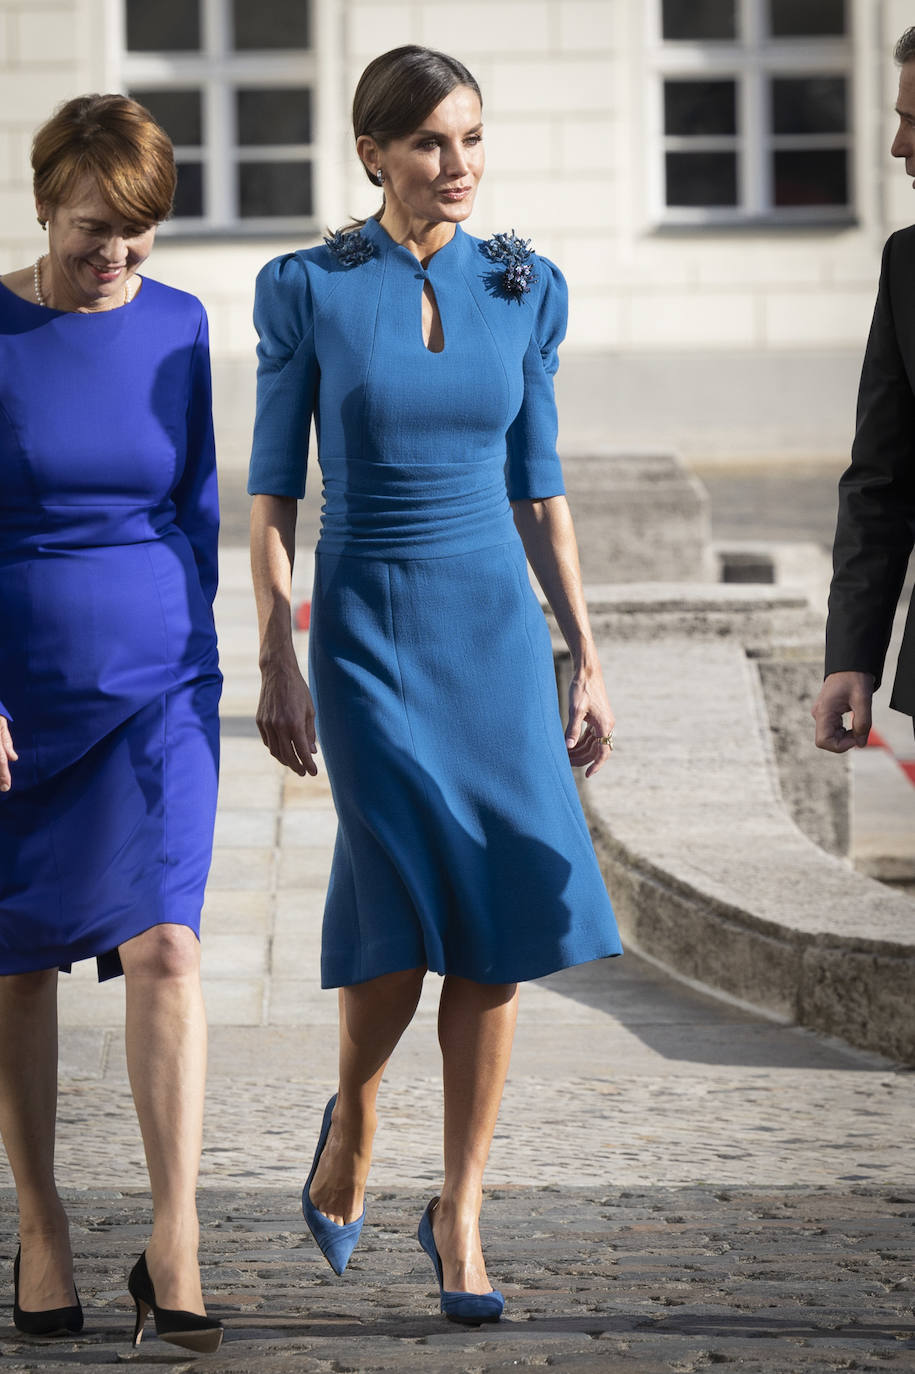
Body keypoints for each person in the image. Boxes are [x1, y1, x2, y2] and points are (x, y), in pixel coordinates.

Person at [248, 45, 622, 1325]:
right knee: (402, 881)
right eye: (426, 144)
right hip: (362, 632)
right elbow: (272, 494)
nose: (455, 167)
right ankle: (352, 1117)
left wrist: (586, 650)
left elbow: (543, 491)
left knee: (499, 917)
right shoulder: (305, 288)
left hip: (493, 635)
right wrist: (276, 650)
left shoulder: (527, 288)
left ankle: (460, 1209)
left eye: (470, 140)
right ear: (372, 155)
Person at [0, 95, 223, 1353]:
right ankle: (41, 1225)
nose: (116, 261)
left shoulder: (182, 324)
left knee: (171, 949)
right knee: (19, 962)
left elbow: (195, 505)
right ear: (45, 205)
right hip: (19, 692)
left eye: (138, 237)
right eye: (94, 233)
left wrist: (221, 663)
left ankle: (175, 1235)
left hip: (160, 684)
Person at [813, 27, 915, 753]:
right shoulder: (907, 264)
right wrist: (851, 652)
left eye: (913, 123)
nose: (897, 147)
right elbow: (881, 475)